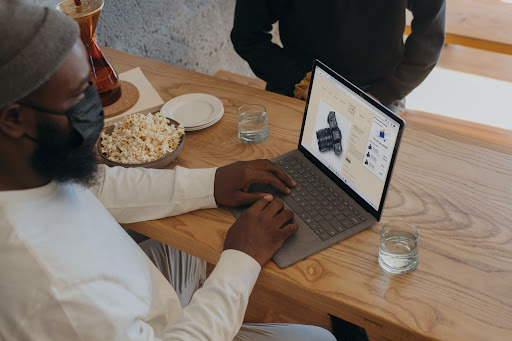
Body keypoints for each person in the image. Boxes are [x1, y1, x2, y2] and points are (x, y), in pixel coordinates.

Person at [0, 1, 336, 340]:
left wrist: (213, 182)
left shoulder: (22, 168)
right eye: (78, 94)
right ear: (14, 119)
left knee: (188, 242)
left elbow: (96, 185)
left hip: (142, 294)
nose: (96, 102)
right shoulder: (57, 291)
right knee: (319, 338)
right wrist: (242, 259)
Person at [231, 0, 446, 113]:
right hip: (299, 90)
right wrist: (299, 82)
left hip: (378, 94)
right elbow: (247, 36)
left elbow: (430, 35)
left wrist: (385, 92)